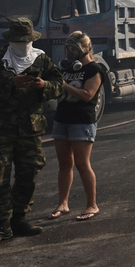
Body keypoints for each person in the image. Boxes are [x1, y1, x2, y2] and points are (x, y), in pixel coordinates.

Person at [0, 18, 64, 247]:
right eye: (19, 41)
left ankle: (19, 219)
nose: (23, 44)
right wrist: (10, 84)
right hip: (1, 130)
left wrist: (43, 86)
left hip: (30, 128)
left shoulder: (40, 58)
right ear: (10, 40)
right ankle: (1, 226)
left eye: (26, 40)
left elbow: (58, 83)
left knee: (29, 174)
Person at [49, 32, 105, 222]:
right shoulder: (66, 68)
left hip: (82, 121)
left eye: (74, 49)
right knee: (64, 164)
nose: (70, 52)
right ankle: (62, 204)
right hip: (62, 119)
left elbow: (88, 95)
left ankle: (92, 205)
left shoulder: (94, 69)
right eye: (69, 49)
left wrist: (64, 85)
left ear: (85, 49)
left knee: (82, 164)